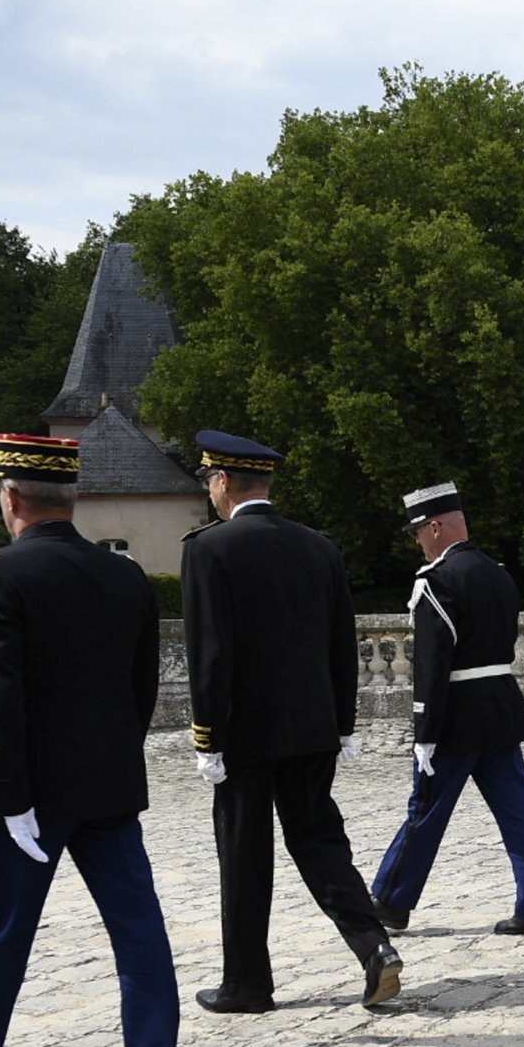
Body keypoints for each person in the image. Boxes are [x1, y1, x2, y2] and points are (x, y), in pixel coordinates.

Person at [0, 434, 182, 1047]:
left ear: (11, 498)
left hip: (31, 788)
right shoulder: (126, 576)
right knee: (137, 922)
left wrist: (9, 790)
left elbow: (0, 697)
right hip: (110, 782)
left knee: (2, 921)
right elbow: (141, 688)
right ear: (74, 498)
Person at [181, 429, 402, 1012]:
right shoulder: (319, 546)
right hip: (313, 727)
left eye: (209, 482)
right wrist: (344, 724)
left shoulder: (209, 549)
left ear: (223, 482)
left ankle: (248, 983)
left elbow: (209, 654)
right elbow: (340, 643)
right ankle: (374, 946)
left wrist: (208, 737)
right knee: (321, 841)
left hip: (245, 734)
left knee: (244, 854)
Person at [370, 481, 524, 936]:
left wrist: (424, 732)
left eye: (418, 532)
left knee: (426, 810)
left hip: (456, 715)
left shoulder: (435, 581)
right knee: (519, 812)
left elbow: (432, 665)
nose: (418, 541)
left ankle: (391, 902)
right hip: (500, 708)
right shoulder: (498, 574)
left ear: (435, 526)